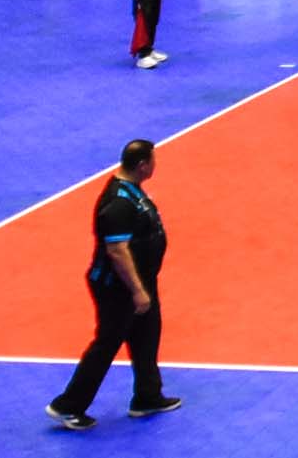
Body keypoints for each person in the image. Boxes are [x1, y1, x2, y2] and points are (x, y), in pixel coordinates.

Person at [47, 139, 181, 429]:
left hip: (140, 281)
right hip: (118, 288)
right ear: (142, 165)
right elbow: (117, 251)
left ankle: (147, 396)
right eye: (153, 161)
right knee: (108, 343)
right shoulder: (118, 203)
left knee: (147, 334)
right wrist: (137, 291)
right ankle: (68, 406)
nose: (155, 165)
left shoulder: (131, 191)